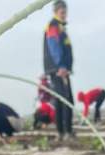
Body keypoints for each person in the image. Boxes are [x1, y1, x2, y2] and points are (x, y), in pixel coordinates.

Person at [43, 0, 74, 141]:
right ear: (56, 12)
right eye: (62, 12)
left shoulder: (61, 27)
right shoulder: (53, 25)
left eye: (65, 11)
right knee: (65, 100)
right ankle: (64, 132)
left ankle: (64, 132)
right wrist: (61, 66)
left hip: (62, 69)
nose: (64, 14)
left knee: (64, 100)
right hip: (58, 69)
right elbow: (54, 47)